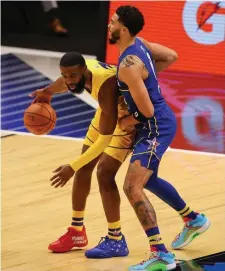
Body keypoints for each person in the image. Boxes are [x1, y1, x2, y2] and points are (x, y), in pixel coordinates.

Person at [30, 43, 179, 259]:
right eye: (65, 75)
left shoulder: (107, 86)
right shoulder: (81, 71)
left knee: (104, 173)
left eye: (73, 75)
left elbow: (105, 139)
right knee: (84, 167)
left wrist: (71, 166)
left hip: (124, 122)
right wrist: (48, 91)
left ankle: (116, 239)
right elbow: (65, 82)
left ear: (84, 71)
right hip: (106, 115)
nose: (69, 80)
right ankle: (77, 231)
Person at [104, 5, 211, 271]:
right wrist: (145, 80)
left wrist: (124, 121)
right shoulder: (140, 45)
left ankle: (161, 255)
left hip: (154, 127)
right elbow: (171, 56)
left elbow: (146, 111)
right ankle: (193, 219)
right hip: (159, 121)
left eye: (113, 21)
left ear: (123, 29)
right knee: (148, 180)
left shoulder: (129, 65)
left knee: (132, 187)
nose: (109, 24)